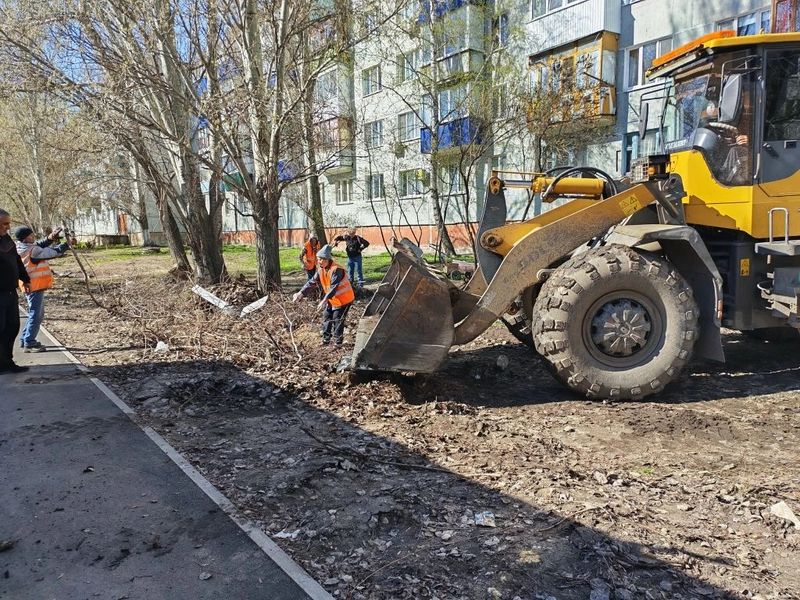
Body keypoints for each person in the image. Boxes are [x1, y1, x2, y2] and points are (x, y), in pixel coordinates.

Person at [14, 225, 70, 352]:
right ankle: (29, 342)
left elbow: (39, 244)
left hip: (30, 285)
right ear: (25, 238)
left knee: (34, 313)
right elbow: (51, 252)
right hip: (35, 285)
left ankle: (25, 339)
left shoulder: (21, 247)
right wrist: (66, 245)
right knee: (36, 315)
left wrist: (50, 238)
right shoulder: (32, 251)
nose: (33, 236)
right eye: (31, 235)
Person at [292, 244, 355, 346]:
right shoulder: (321, 269)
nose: (319, 262)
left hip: (344, 299)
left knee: (337, 318)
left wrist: (324, 300)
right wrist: (301, 293)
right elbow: (311, 282)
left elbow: (333, 288)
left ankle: (338, 343)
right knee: (326, 316)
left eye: (321, 259)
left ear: (327, 260)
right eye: (318, 259)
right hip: (332, 299)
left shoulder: (337, 270)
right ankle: (326, 340)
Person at [0, 209, 31, 373]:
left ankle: (7, 362)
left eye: (8, 223)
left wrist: (25, 278)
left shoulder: (7, 239)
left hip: (10, 293)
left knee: (12, 327)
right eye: (5, 224)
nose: (8, 227)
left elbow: (16, 260)